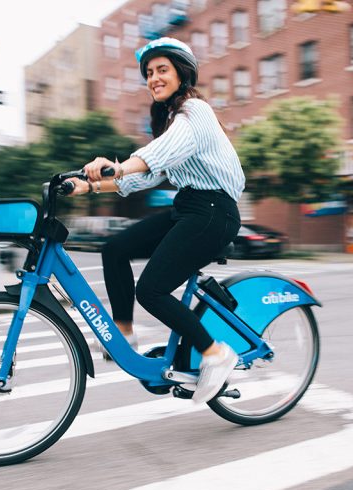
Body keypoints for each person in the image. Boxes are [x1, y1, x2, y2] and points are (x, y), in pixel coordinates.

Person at [67, 37, 245, 404]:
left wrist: (115, 165)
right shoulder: (170, 121)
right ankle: (124, 332)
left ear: (182, 73)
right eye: (149, 73)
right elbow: (142, 177)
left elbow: (154, 156)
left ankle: (216, 354)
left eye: (162, 70)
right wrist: (86, 187)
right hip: (189, 208)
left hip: (215, 212)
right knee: (115, 248)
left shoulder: (195, 111)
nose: (153, 78)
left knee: (151, 290)